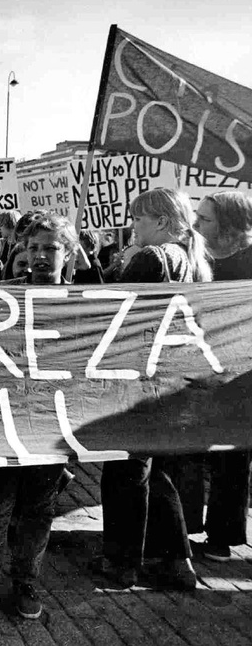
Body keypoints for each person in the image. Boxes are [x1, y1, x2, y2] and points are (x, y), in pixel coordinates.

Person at [0, 213, 75, 620]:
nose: (40, 256)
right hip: (5, 419)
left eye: (51, 249)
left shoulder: (85, 303)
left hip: (51, 423)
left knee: (39, 509)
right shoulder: (2, 297)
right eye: (34, 248)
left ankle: (26, 580)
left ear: (69, 253)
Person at [98, 188, 212, 590]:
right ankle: (177, 561)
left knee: (126, 470)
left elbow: (115, 311)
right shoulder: (191, 261)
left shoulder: (151, 258)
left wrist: (121, 268)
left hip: (139, 378)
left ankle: (123, 563)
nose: (133, 227)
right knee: (156, 469)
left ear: (161, 222)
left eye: (138, 220)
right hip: (171, 380)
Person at [183, 190, 252, 561]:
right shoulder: (202, 259)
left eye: (205, 220)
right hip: (203, 371)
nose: (196, 226)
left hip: (241, 376)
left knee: (232, 457)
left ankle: (222, 537)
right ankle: (186, 526)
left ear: (230, 226)